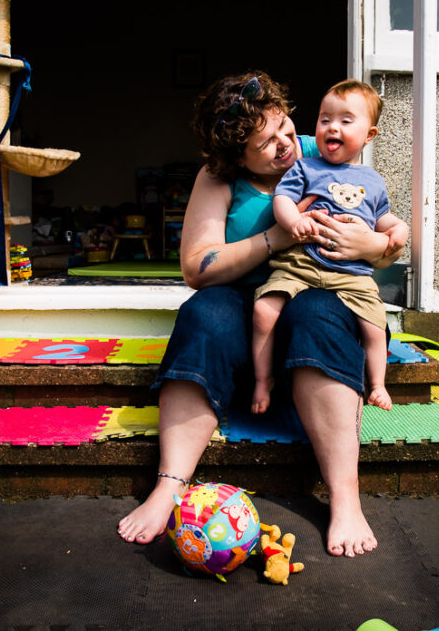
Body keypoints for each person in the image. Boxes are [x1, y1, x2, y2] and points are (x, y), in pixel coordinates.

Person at [116, 72, 403, 557]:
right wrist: (276, 237)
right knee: (204, 313)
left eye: (286, 129)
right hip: (241, 312)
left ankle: (346, 498)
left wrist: (376, 244)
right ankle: (168, 485)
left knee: (319, 310)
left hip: (310, 303)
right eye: (266, 144)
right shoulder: (217, 176)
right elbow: (195, 267)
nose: (285, 145)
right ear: (235, 157)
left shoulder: (323, 150)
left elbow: (383, 227)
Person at [250, 79, 408, 416]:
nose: (332, 127)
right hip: (300, 265)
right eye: (325, 119)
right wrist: (293, 222)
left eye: (345, 121)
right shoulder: (305, 167)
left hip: (352, 275)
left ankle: (377, 384)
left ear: (369, 135)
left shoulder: (372, 180)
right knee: (264, 310)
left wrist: (399, 230)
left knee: (375, 327)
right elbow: (283, 199)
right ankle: (263, 381)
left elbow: (383, 220)